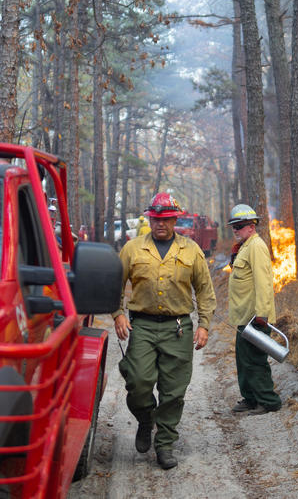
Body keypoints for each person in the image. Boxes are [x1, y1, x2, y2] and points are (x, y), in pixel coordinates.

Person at [112, 192, 215, 470]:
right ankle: (146, 419)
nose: (161, 224)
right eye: (156, 218)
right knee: (137, 381)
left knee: (173, 391)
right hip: (142, 326)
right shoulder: (132, 249)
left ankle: (165, 444)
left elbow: (205, 289)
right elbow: (114, 285)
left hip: (177, 328)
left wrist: (204, 324)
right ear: (150, 219)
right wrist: (118, 314)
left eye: (167, 219)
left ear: (174, 220)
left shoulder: (191, 249)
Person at [226, 203, 282, 415]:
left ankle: (268, 401)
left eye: (239, 226)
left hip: (255, 318)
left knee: (255, 360)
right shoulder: (244, 247)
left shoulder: (256, 246)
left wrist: (262, 314)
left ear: (252, 226)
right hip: (244, 317)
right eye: (234, 226)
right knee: (244, 359)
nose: (235, 229)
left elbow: (264, 282)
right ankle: (250, 398)